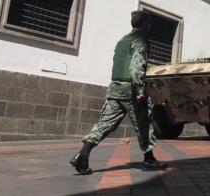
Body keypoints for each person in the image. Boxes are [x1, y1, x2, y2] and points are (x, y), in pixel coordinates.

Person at [70, 11, 166, 175]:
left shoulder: (122, 40)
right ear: (144, 24)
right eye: (149, 24)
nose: (150, 27)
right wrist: (140, 90)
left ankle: (83, 154)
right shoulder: (140, 40)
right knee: (143, 123)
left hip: (115, 88)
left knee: (105, 124)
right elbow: (136, 67)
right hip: (131, 89)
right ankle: (149, 159)